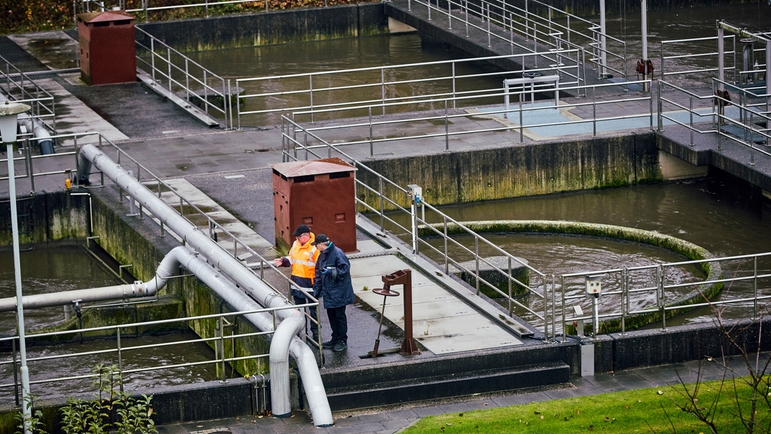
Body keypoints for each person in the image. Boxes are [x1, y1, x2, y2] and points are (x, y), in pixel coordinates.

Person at [273, 224, 321, 341]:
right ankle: (302, 334)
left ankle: (316, 336)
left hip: (310, 284)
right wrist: (284, 261)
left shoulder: (314, 248)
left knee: (313, 312)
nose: (297, 239)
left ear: (306, 236)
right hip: (297, 283)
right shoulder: (296, 244)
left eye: (299, 237)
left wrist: (318, 284)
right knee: (299, 311)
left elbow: (319, 267)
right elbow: (292, 258)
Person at [312, 234, 355, 352]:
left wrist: (331, 272)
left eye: (316, 245)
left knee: (340, 316)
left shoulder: (337, 253)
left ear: (321, 244)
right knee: (332, 316)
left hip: (339, 292)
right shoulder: (322, 256)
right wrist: (317, 289)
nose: (316, 248)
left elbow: (345, 270)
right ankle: (335, 338)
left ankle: (342, 340)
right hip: (330, 292)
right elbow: (319, 273)